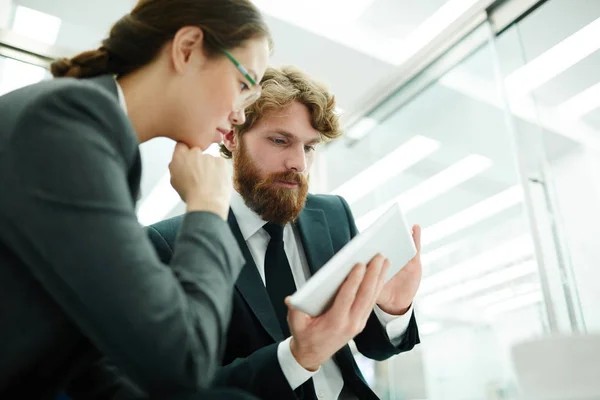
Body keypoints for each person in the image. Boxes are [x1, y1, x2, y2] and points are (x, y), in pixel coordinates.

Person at [0, 0, 271, 398]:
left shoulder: (89, 128)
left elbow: (84, 356)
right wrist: (208, 208)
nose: (240, 115)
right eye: (244, 84)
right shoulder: (67, 120)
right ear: (188, 48)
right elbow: (185, 360)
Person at [148, 66, 422, 399]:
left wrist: (393, 309)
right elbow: (178, 389)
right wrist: (296, 358)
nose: (299, 164)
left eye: (309, 147)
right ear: (232, 136)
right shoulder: (171, 245)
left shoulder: (333, 215)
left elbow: (374, 349)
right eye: (280, 140)